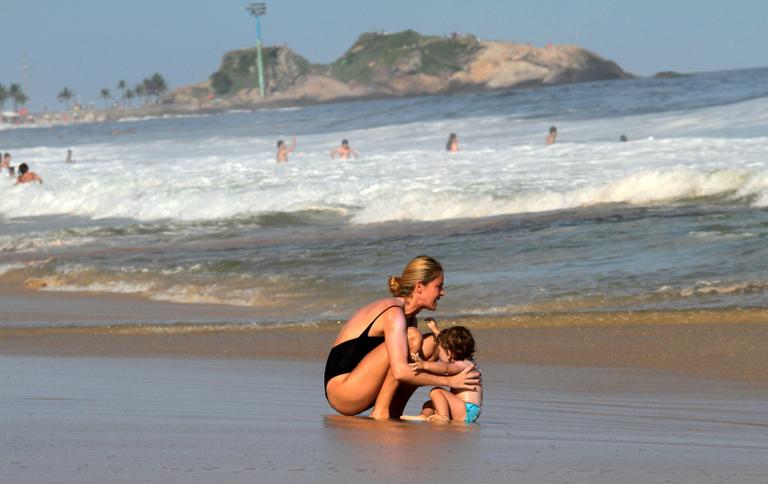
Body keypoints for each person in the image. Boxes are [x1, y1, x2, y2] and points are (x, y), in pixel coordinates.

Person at [324, 255, 481, 419]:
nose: (442, 293)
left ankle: (394, 411)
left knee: (434, 344)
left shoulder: (410, 318)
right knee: (412, 338)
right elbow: (400, 372)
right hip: (343, 392)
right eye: (438, 286)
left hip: (364, 385)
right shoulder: (394, 312)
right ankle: (381, 412)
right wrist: (450, 381)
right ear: (419, 287)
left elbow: (404, 369)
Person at [410, 323, 482, 423]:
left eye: (439, 351)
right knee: (430, 404)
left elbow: (445, 368)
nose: (438, 355)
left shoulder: (461, 365)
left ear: (449, 353)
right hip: (465, 409)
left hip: (466, 409)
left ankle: (443, 417)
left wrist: (424, 365)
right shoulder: (467, 363)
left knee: (436, 391)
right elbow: (446, 345)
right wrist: (436, 331)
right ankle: (424, 416)